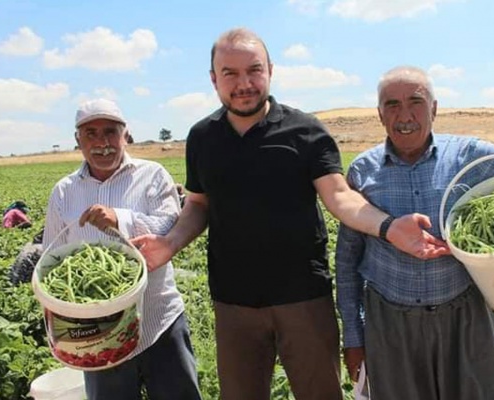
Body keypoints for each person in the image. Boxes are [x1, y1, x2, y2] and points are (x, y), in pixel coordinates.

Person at [130, 29, 448, 400]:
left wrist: (389, 227)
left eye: (254, 70)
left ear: (270, 70)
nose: (244, 83)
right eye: (230, 73)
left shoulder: (304, 131)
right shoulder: (203, 137)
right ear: (214, 78)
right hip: (234, 302)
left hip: (303, 298)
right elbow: (199, 204)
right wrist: (169, 243)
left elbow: (340, 196)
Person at [335, 66, 494, 400]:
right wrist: (354, 338)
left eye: (416, 101)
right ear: (379, 114)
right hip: (391, 324)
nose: (405, 115)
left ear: (434, 108)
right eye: (392, 104)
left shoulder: (467, 156)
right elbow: (346, 262)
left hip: (466, 317)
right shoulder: (363, 170)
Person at [42, 98, 202, 400]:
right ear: (78, 141)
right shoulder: (64, 191)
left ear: (125, 135)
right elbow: (52, 258)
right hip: (98, 334)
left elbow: (170, 228)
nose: (102, 143)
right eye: (91, 134)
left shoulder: (152, 175)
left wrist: (121, 219)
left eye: (110, 132)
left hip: (160, 322)